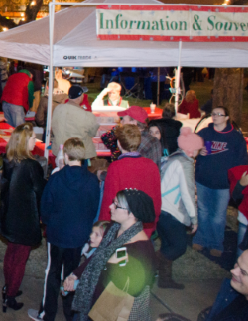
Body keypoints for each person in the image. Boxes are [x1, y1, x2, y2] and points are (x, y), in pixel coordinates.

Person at [29, 137, 100, 321]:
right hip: (78, 236)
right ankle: (70, 313)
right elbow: (93, 208)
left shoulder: (56, 179)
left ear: (66, 156)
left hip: (57, 234)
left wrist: (48, 222)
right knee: (72, 273)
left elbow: (45, 207)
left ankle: (48, 314)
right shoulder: (92, 181)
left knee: (53, 272)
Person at [66, 190, 156, 321]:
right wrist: (75, 274)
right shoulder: (113, 228)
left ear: (131, 213)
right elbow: (97, 256)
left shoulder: (141, 250)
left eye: (116, 205)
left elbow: (136, 289)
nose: (110, 207)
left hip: (111, 308)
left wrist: (115, 265)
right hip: (93, 299)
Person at [0, 123, 46, 312]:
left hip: (9, 215)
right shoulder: (32, 166)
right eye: (33, 137)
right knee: (20, 259)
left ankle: (9, 286)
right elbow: (40, 191)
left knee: (11, 253)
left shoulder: (9, 161)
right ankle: (10, 296)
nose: (36, 140)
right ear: (25, 141)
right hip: (25, 219)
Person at [194, 106, 248, 257]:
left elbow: (242, 161)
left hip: (223, 184)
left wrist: (237, 181)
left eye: (219, 114)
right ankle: (201, 239)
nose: (215, 116)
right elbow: (189, 149)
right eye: (213, 114)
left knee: (218, 215)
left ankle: (216, 243)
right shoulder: (204, 133)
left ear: (227, 118)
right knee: (203, 211)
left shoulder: (235, 138)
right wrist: (198, 151)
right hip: (203, 179)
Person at [99, 124, 162, 237]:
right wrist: (153, 222)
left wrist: (104, 226)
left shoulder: (116, 167)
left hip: (122, 227)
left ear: (118, 143)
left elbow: (109, 199)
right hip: (145, 226)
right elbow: (156, 198)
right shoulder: (151, 166)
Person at [157, 128, 199, 289]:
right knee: (179, 247)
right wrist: (194, 218)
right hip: (172, 211)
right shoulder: (185, 163)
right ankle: (149, 263)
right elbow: (188, 192)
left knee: (167, 245)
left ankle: (164, 280)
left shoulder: (172, 157)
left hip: (161, 208)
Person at [51, 85, 100, 164]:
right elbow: (92, 133)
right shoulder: (86, 115)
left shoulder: (58, 109)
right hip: (78, 154)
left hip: (59, 151)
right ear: (80, 97)